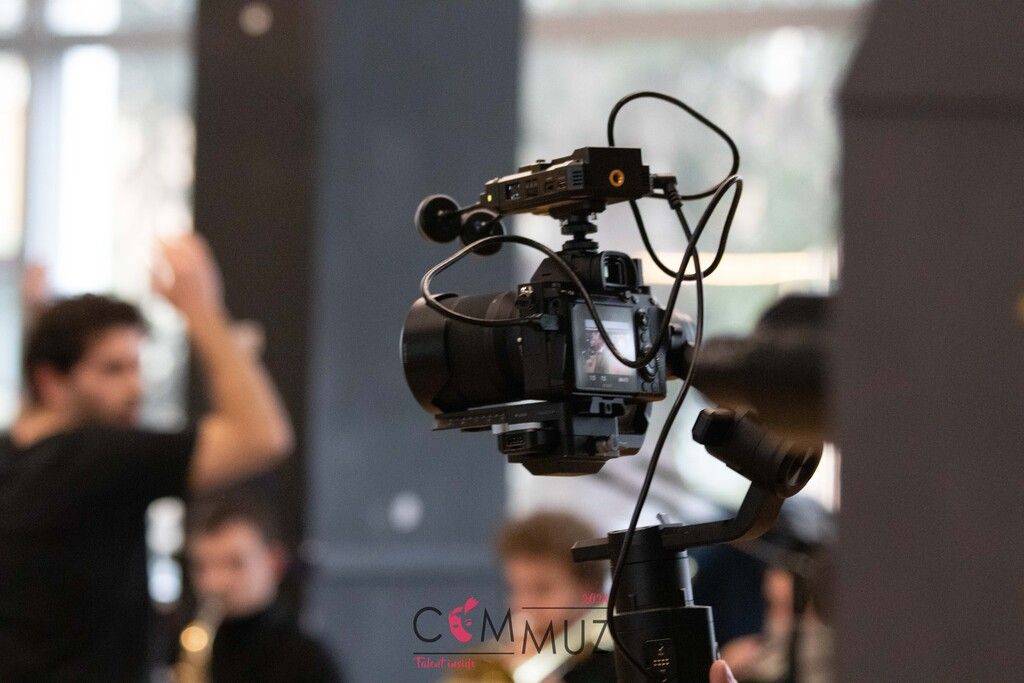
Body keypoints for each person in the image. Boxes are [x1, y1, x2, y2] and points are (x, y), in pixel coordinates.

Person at [0, 233, 294, 680]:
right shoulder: (96, 459)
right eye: (113, 369)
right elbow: (263, 436)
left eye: (137, 366)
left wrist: (38, 317)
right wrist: (202, 310)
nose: (136, 388)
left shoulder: (15, 457)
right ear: (50, 381)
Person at [179, 497, 341, 682]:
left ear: (275, 562)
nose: (214, 583)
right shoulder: (191, 644)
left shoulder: (308, 659)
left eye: (235, 564)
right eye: (201, 566)